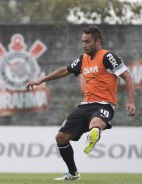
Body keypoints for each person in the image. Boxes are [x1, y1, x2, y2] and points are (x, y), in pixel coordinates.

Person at [26, 25, 136, 180]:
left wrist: (131, 102)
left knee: (96, 123)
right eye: (82, 41)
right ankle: (73, 173)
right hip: (85, 106)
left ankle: (94, 134)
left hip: (104, 104)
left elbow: (128, 77)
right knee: (60, 138)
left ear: (97, 42)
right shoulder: (82, 59)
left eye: (88, 41)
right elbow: (64, 70)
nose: (84, 45)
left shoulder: (108, 57)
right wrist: (40, 80)